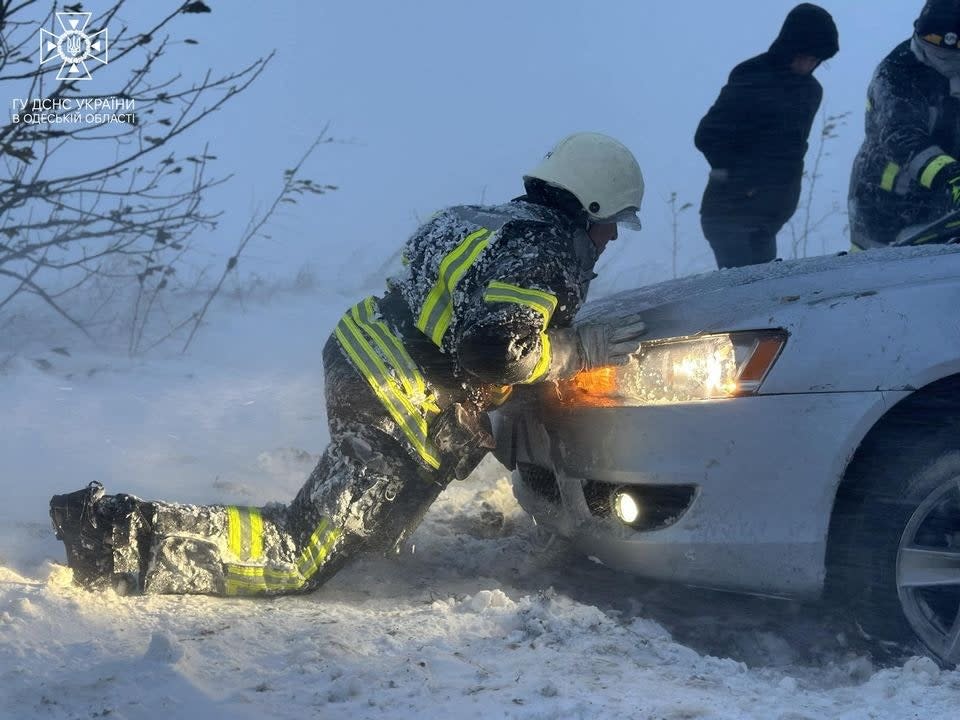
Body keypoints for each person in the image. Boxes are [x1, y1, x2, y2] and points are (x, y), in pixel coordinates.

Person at [49, 132, 650, 596]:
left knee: (365, 529)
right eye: (612, 224)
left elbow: (450, 315)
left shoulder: (474, 219)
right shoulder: (545, 248)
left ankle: (125, 534)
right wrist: (577, 352)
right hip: (398, 392)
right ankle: (117, 538)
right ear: (589, 205)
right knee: (302, 551)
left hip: (363, 350)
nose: (611, 240)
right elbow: (498, 352)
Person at [695, 3, 839, 269]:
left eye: (816, 59)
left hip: (766, 220)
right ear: (788, 46)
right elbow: (707, 135)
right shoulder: (752, 76)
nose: (809, 64)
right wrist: (741, 182)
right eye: (804, 55)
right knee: (744, 296)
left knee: (767, 292)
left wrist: (781, 198)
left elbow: (789, 152)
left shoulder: (810, 92)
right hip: (729, 216)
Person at [849, 0, 960, 250]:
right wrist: (951, 176)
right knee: (873, 281)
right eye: (934, 47)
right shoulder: (896, 72)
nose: (945, 59)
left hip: (946, 207)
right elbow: (901, 137)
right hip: (885, 205)